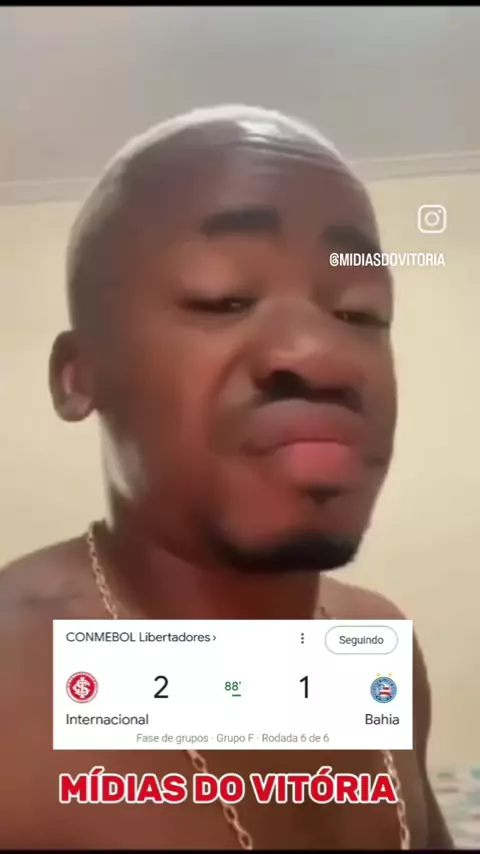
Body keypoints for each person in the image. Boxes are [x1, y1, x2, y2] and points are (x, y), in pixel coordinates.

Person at [0, 105, 453, 850]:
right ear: (79, 376)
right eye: (223, 297)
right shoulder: (13, 683)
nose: (322, 353)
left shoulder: (378, 647)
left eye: (360, 312)